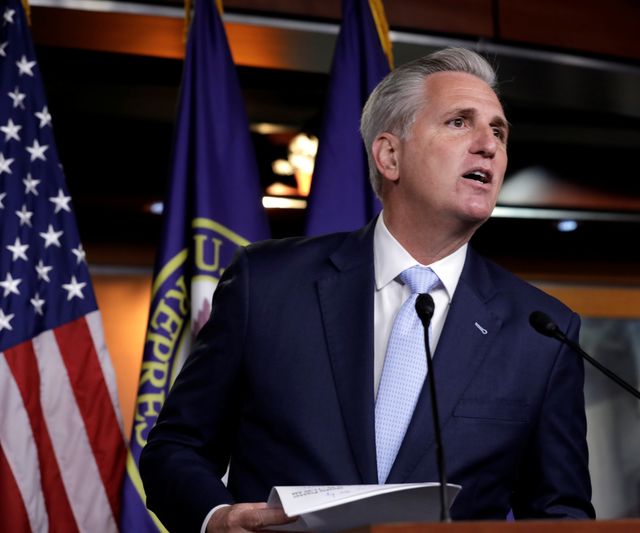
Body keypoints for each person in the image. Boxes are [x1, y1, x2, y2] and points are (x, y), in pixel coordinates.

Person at [140, 47, 594, 533]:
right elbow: (175, 449)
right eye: (460, 123)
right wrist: (218, 518)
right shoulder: (267, 283)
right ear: (390, 155)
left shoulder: (540, 331)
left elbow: (559, 514)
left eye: (499, 131)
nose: (489, 145)